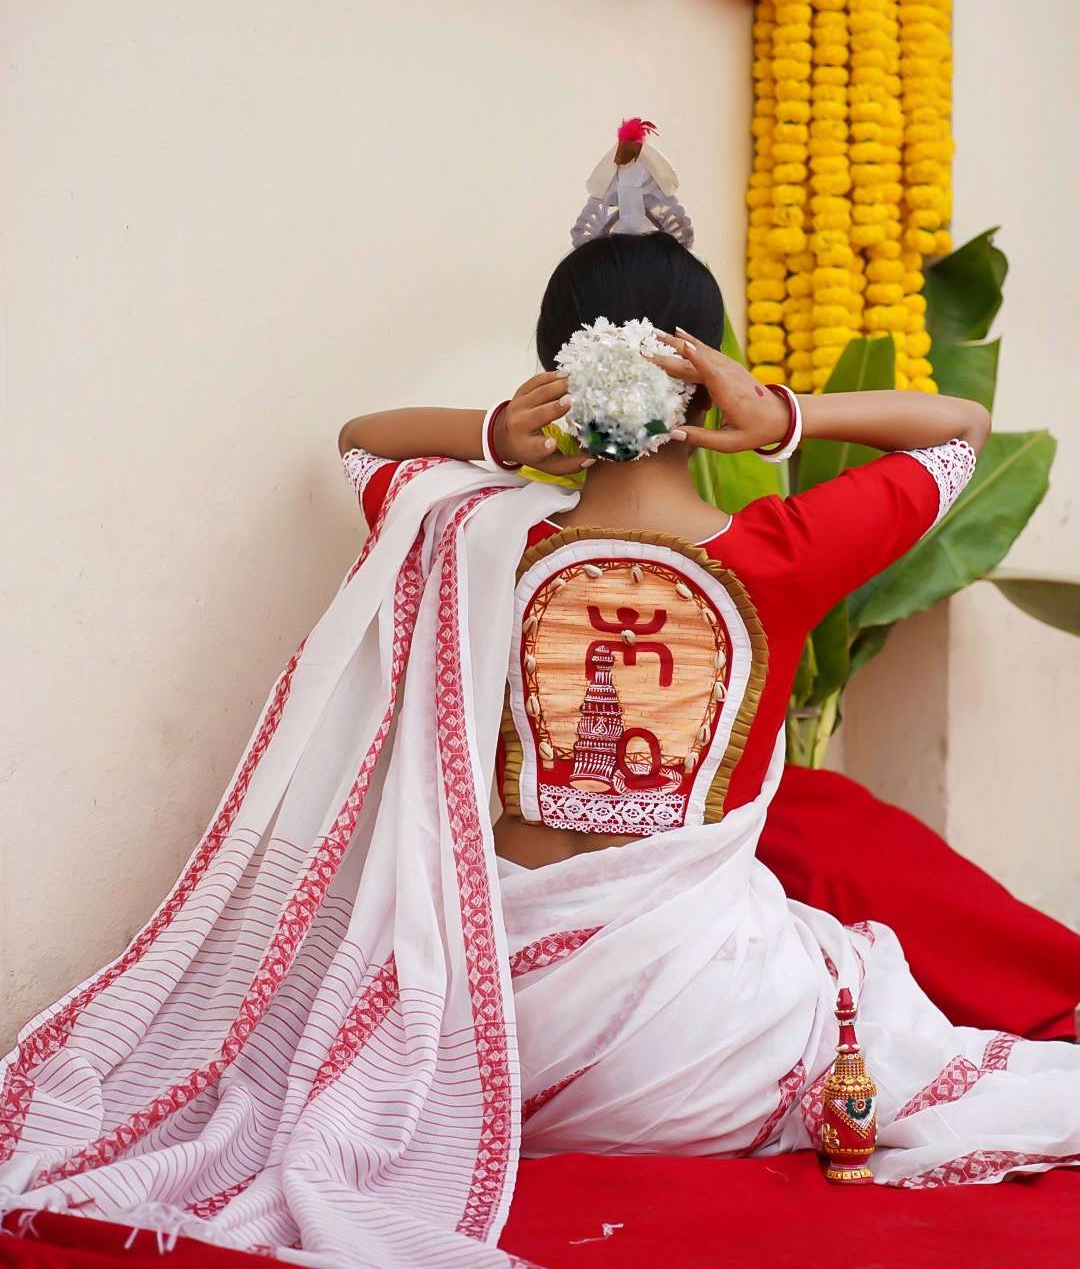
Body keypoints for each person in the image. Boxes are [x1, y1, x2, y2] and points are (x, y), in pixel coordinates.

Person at [1, 194, 1077, 1268]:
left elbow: (360, 443)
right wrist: (781, 415)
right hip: (702, 1051)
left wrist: (490, 434)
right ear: (705, 371)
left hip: (487, 1041)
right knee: (850, 976)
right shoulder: (782, 548)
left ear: (559, 368)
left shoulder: (479, 536)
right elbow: (961, 430)